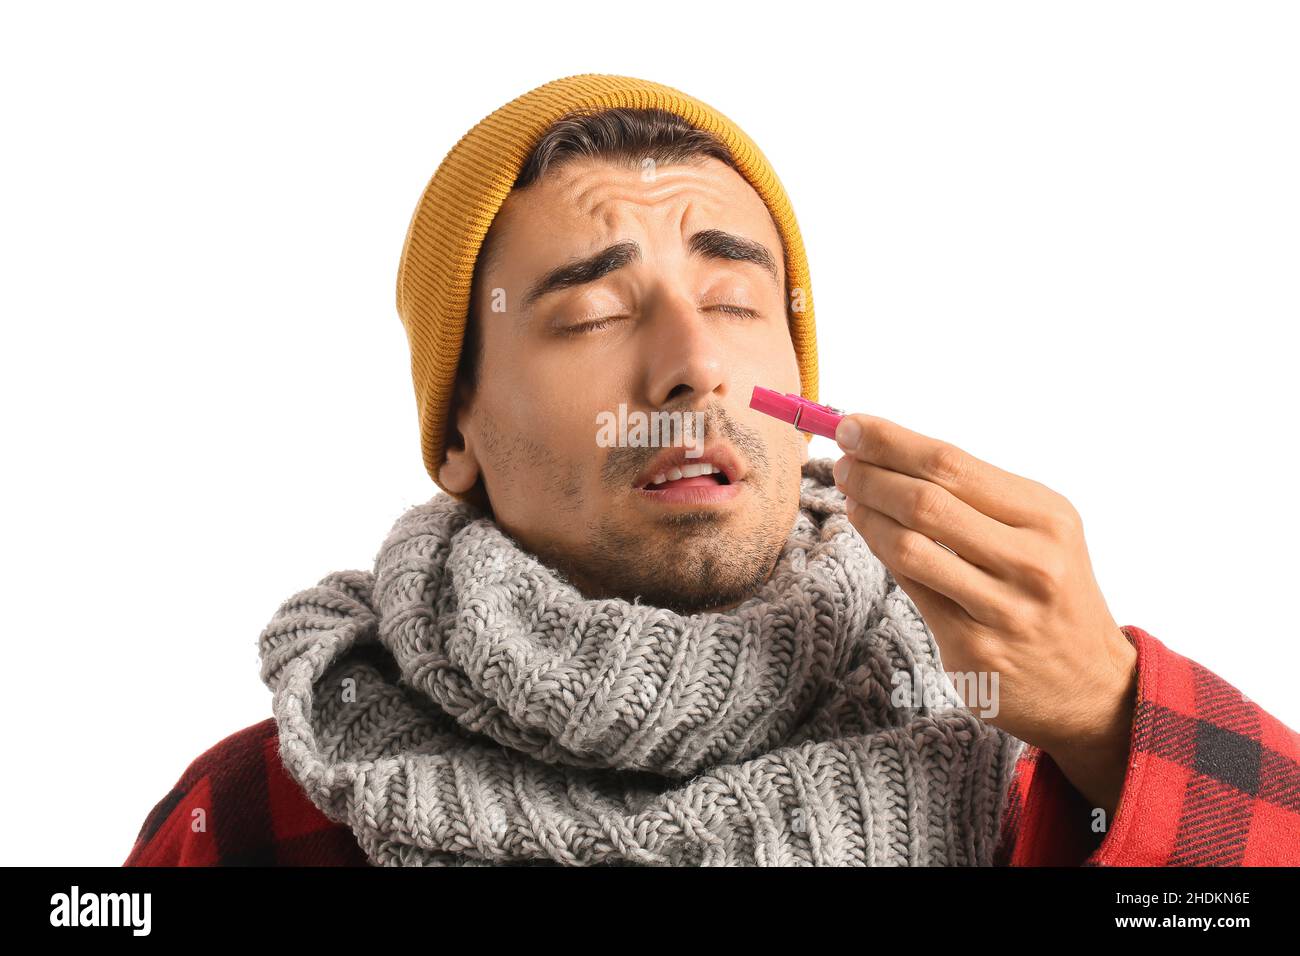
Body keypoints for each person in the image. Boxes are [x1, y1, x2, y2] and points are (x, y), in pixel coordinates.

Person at [124, 74, 1300, 867]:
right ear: (454, 436)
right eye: (590, 314)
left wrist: (1110, 710)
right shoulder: (261, 814)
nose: (693, 367)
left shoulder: (1039, 763)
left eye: (736, 302)